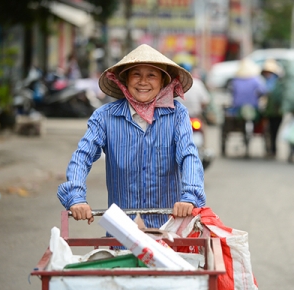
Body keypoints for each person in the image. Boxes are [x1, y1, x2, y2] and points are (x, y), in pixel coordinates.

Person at [57, 44, 206, 228]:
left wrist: (189, 196)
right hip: (121, 231)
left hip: (167, 229)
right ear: (125, 80)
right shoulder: (104, 116)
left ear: (162, 82)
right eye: (136, 74)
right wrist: (76, 197)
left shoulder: (177, 114)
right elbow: (82, 155)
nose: (143, 82)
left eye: (151, 75)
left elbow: (188, 155)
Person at [261, 59, 284, 158]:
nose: (267, 74)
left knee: (274, 131)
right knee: (270, 130)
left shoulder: (278, 83)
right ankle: (271, 149)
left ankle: (273, 149)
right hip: (269, 111)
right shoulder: (264, 81)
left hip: (277, 111)